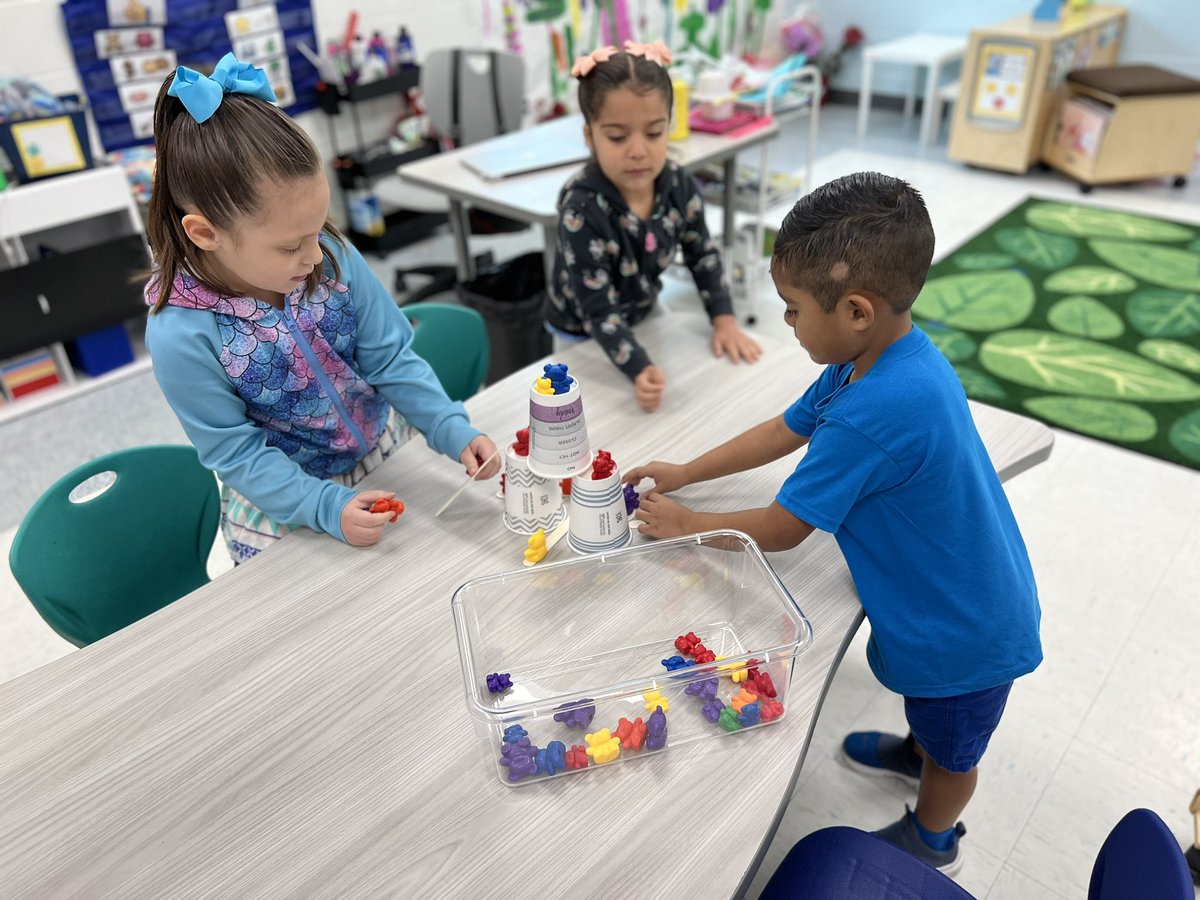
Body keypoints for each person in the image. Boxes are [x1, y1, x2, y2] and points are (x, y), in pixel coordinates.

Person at [625, 172, 1042, 874]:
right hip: (960, 593)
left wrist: (687, 523)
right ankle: (917, 752)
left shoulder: (872, 410)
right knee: (935, 724)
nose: (787, 323)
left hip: (965, 631)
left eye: (792, 309)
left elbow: (784, 528)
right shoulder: (879, 357)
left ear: (855, 311)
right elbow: (785, 429)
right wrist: (687, 470)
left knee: (955, 752)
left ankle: (933, 838)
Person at [144, 54, 500, 563]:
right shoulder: (180, 332)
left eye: (318, 229)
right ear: (204, 233)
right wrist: (323, 505)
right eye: (291, 246)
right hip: (287, 498)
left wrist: (449, 426)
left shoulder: (331, 256)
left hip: (380, 449)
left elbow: (390, 360)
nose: (315, 256)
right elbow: (237, 454)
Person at [544, 40, 762, 413]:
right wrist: (638, 367)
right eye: (617, 136)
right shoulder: (580, 208)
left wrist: (724, 319)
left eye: (654, 132)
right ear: (589, 136)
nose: (638, 150)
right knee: (594, 418)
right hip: (580, 334)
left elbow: (702, 255)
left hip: (645, 312)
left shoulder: (677, 184)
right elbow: (597, 310)